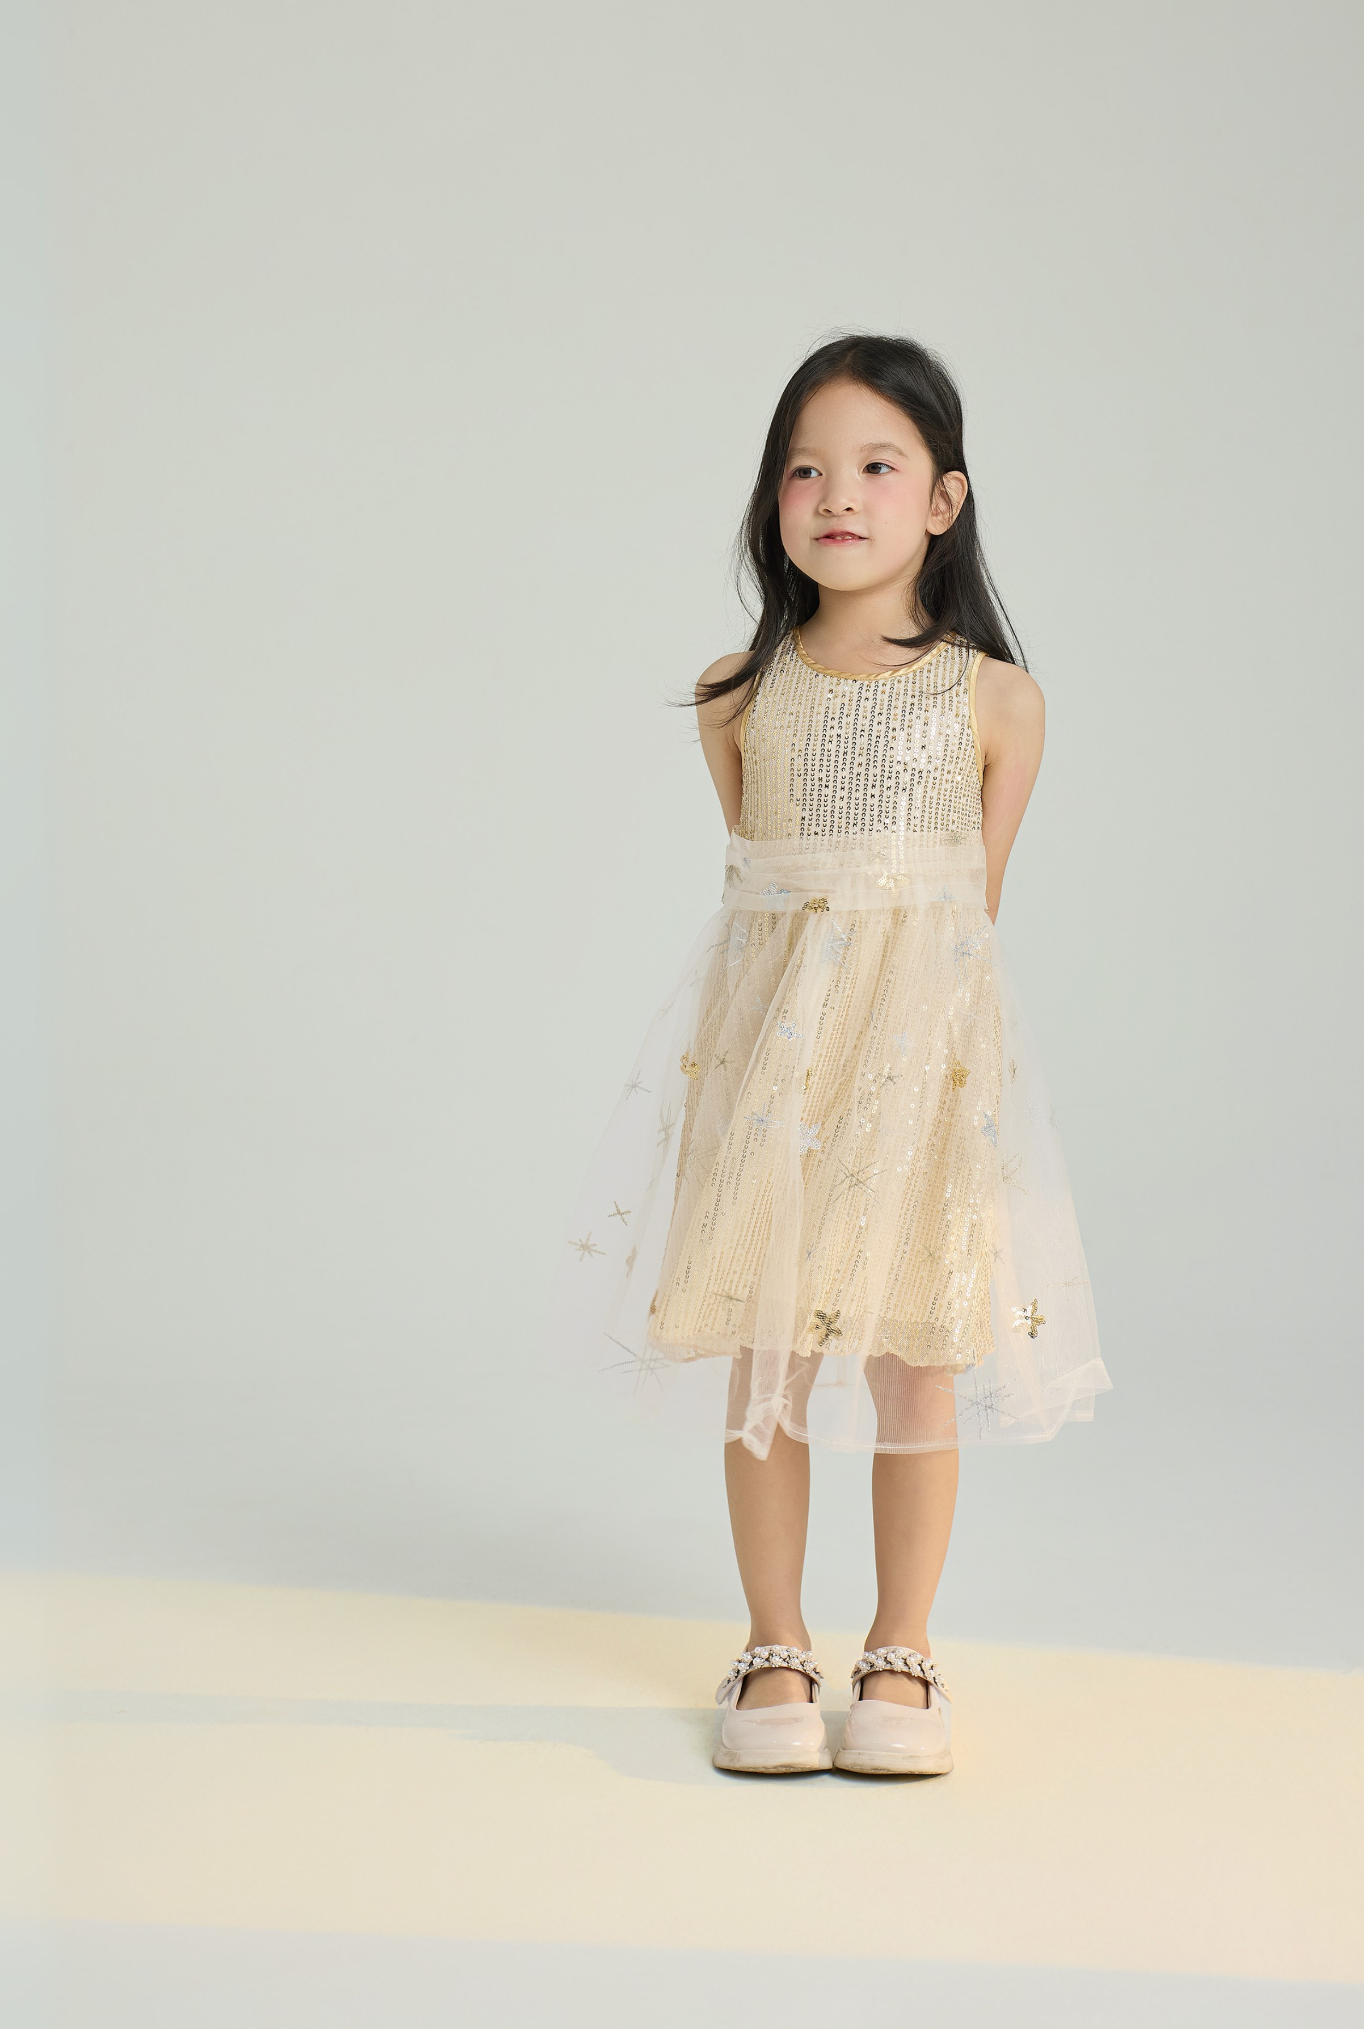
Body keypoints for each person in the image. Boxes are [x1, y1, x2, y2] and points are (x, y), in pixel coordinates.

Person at [557, 335, 1109, 1776]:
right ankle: (774, 1645)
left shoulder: (996, 702)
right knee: (771, 1355)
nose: (837, 495)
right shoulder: (737, 692)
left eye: (876, 466)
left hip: (922, 1078)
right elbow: (772, 905)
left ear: (945, 499)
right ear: (771, 499)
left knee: (918, 1355)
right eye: (804, 470)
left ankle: (902, 1650)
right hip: (773, 1080)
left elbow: (966, 918)